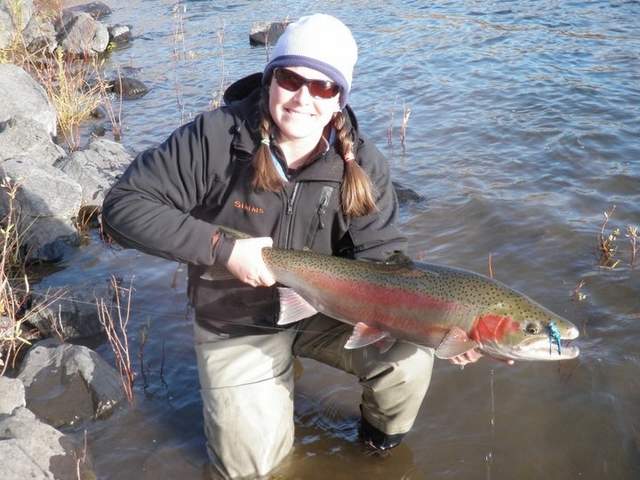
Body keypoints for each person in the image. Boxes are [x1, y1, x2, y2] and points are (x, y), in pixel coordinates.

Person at [102, 14, 481, 479]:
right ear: (269, 79)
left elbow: (384, 264)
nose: (304, 98)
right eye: (291, 78)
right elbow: (122, 208)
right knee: (253, 471)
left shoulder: (362, 164)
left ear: (341, 98)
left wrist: (443, 325)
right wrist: (225, 250)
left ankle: (378, 451)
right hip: (236, 316)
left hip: (331, 310)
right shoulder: (213, 138)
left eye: (324, 87)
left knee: (408, 364)